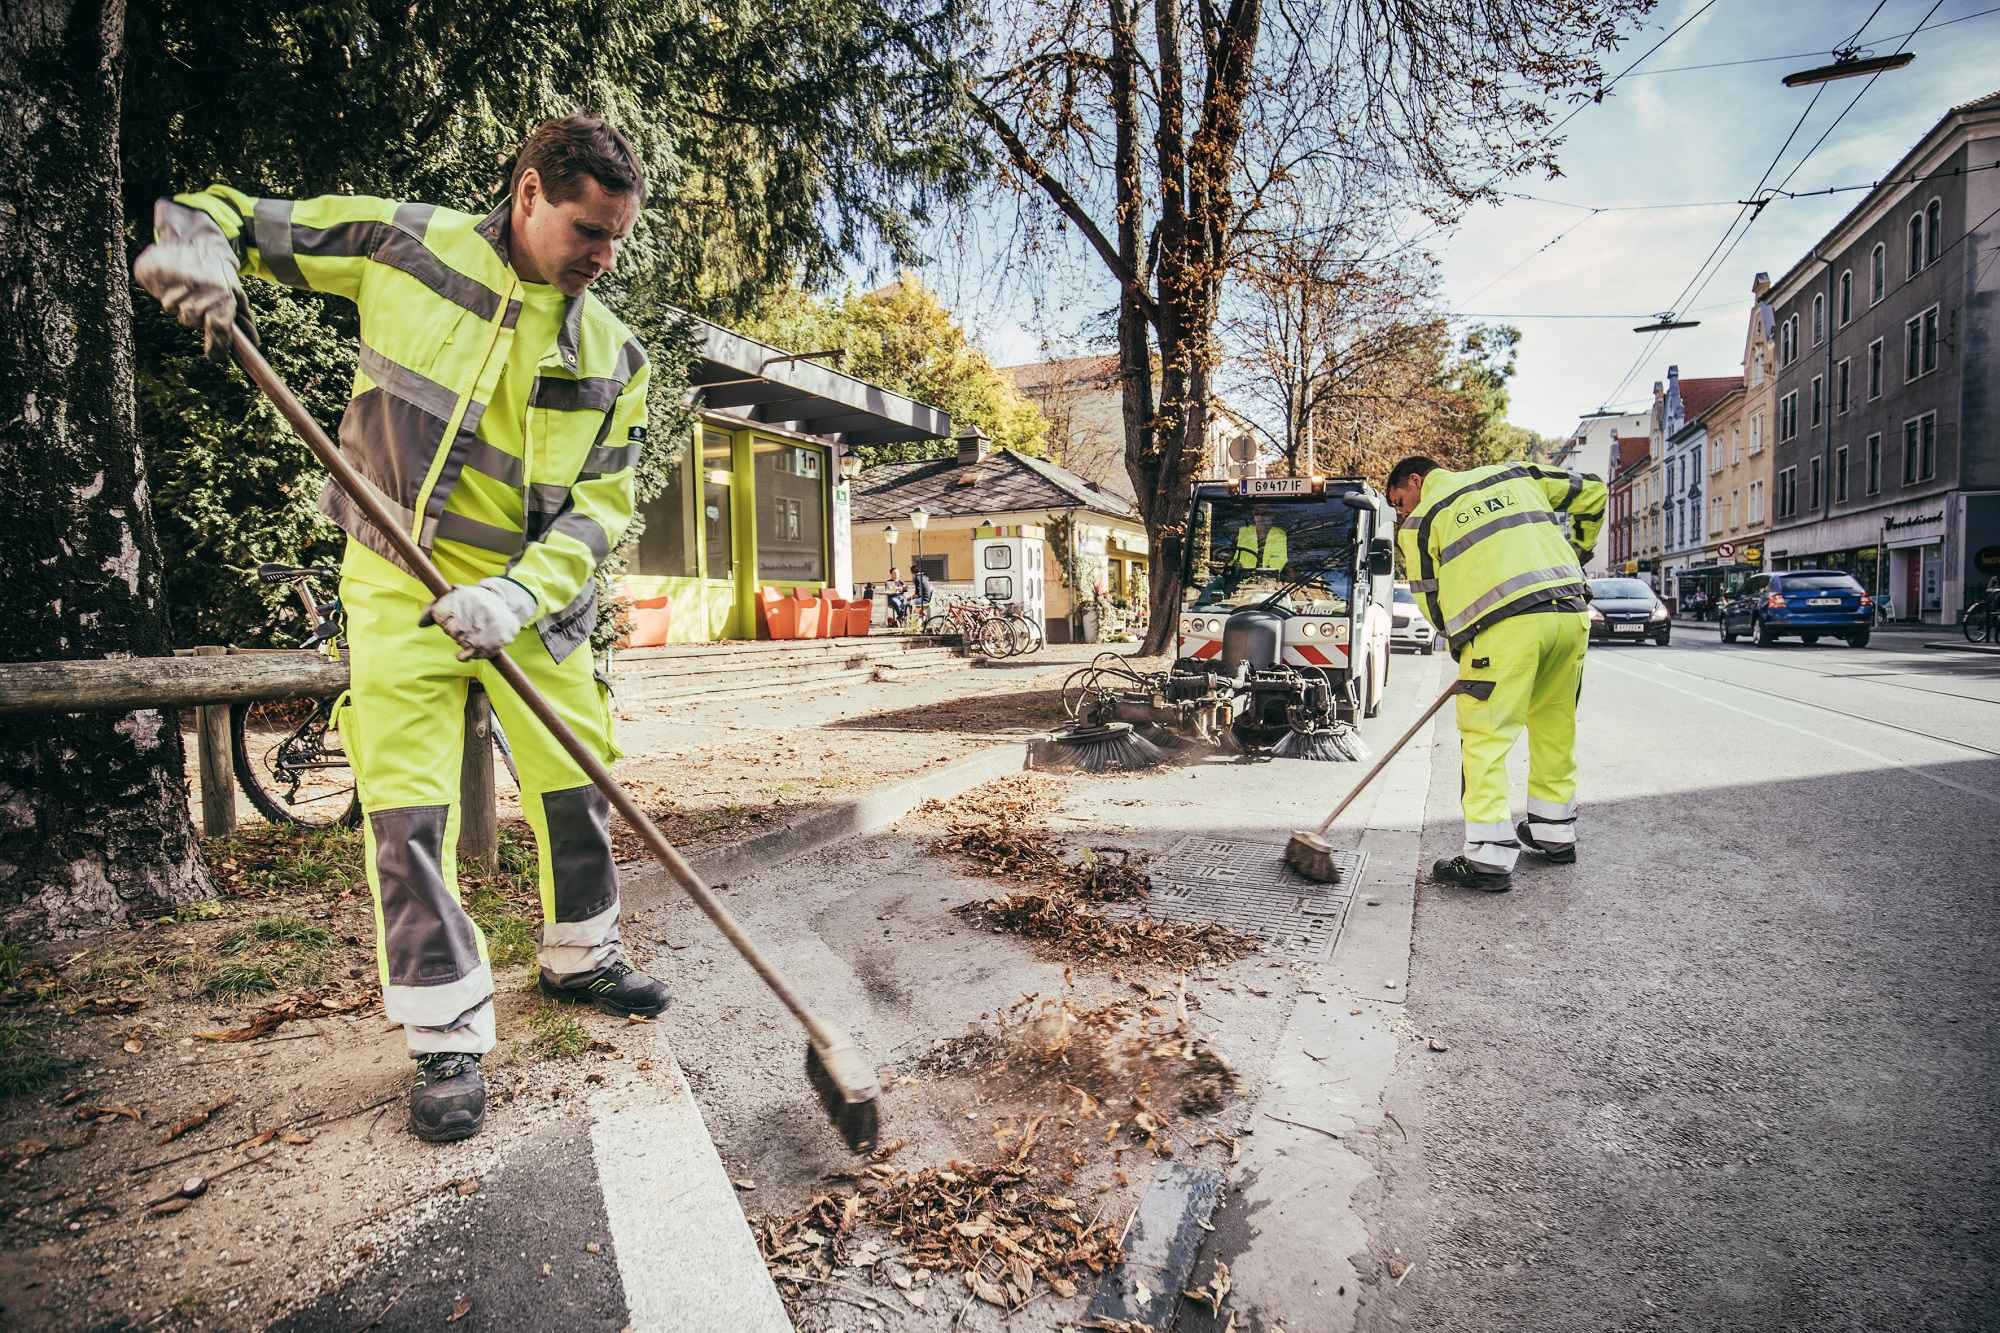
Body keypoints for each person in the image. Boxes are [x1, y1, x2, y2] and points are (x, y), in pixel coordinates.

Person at [134, 115, 671, 1144]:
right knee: (406, 803)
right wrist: (195, 242)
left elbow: (600, 510)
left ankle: (582, 953)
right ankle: (445, 1033)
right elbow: (236, 218)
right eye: (587, 231)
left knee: (579, 774)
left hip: (534, 602)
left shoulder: (616, 351)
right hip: (398, 583)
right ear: (526, 195)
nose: (603, 258)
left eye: (617, 239)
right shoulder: (399, 244)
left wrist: (517, 596)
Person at [1386, 454, 1608, 892]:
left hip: (1503, 631)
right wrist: (1576, 554)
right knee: (1554, 725)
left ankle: (1488, 857)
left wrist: (1462, 642)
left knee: (1485, 738)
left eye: (1398, 501)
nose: (1401, 512)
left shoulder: (1421, 522)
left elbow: (1431, 601)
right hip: (1569, 615)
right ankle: (1554, 832)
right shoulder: (1516, 473)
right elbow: (1595, 492)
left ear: (1416, 480)